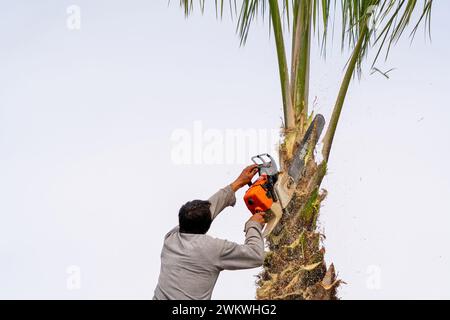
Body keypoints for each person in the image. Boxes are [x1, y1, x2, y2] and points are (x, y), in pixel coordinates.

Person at [153, 165, 266, 300]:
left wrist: (236, 184)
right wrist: (253, 225)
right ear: (207, 225)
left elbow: (203, 212)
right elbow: (256, 255)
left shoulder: (171, 238)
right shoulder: (213, 249)